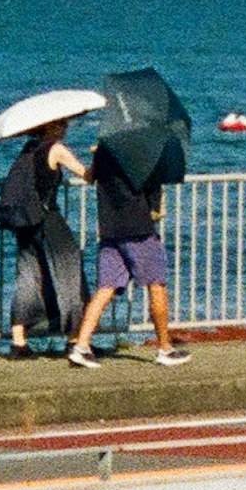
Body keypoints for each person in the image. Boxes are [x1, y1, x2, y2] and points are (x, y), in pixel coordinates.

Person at [69, 131, 187, 367]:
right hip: (138, 229)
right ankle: (165, 348)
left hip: (110, 229)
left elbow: (93, 178)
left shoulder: (103, 149)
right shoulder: (141, 153)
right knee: (157, 285)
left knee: (106, 288)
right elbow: (153, 187)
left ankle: (81, 346)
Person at [0, 122, 84, 359]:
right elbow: (88, 175)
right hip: (47, 219)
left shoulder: (29, 148)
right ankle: (75, 341)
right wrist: (102, 158)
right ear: (51, 126)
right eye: (62, 122)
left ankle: (18, 342)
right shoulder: (57, 149)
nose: (66, 125)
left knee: (28, 276)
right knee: (70, 274)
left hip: (25, 221)